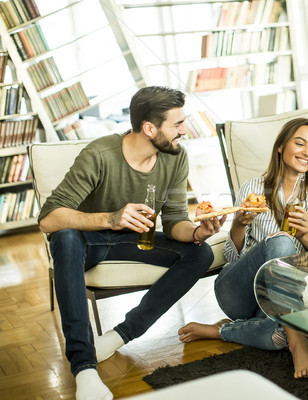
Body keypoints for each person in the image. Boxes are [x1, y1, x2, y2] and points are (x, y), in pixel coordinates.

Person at [38, 86, 227, 400]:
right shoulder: (100, 155)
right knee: (65, 236)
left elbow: (176, 219)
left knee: (200, 253)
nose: (185, 130)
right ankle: (84, 367)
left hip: (138, 239)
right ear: (150, 128)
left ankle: (119, 336)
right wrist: (111, 219)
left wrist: (197, 233)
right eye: (177, 124)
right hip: (90, 240)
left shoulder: (176, 157)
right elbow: (48, 219)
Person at [178, 118, 308, 379]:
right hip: (240, 292)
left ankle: (222, 331)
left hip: (283, 300)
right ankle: (299, 344)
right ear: (281, 146)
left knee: (275, 336)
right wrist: (238, 225)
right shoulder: (253, 188)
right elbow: (231, 255)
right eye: (300, 143)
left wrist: (307, 236)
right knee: (281, 241)